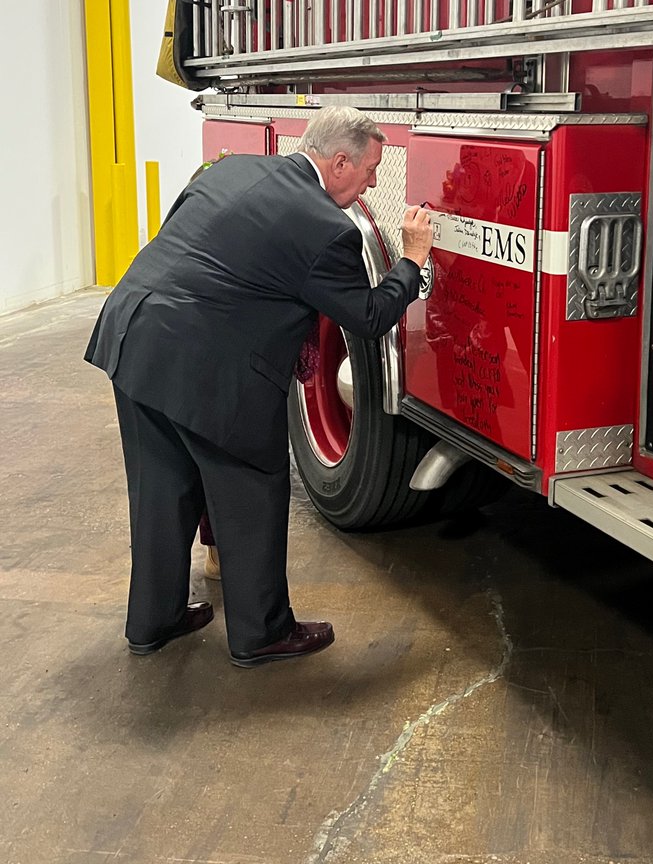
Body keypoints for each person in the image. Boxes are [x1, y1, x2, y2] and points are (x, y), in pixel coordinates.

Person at [85, 107, 432, 667]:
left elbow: (196, 244)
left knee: (161, 489)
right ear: (338, 161)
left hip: (133, 335)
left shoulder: (233, 168)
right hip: (201, 364)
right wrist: (412, 259)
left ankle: (154, 620)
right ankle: (262, 633)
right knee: (251, 487)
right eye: (369, 170)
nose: (372, 182)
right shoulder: (329, 229)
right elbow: (368, 316)